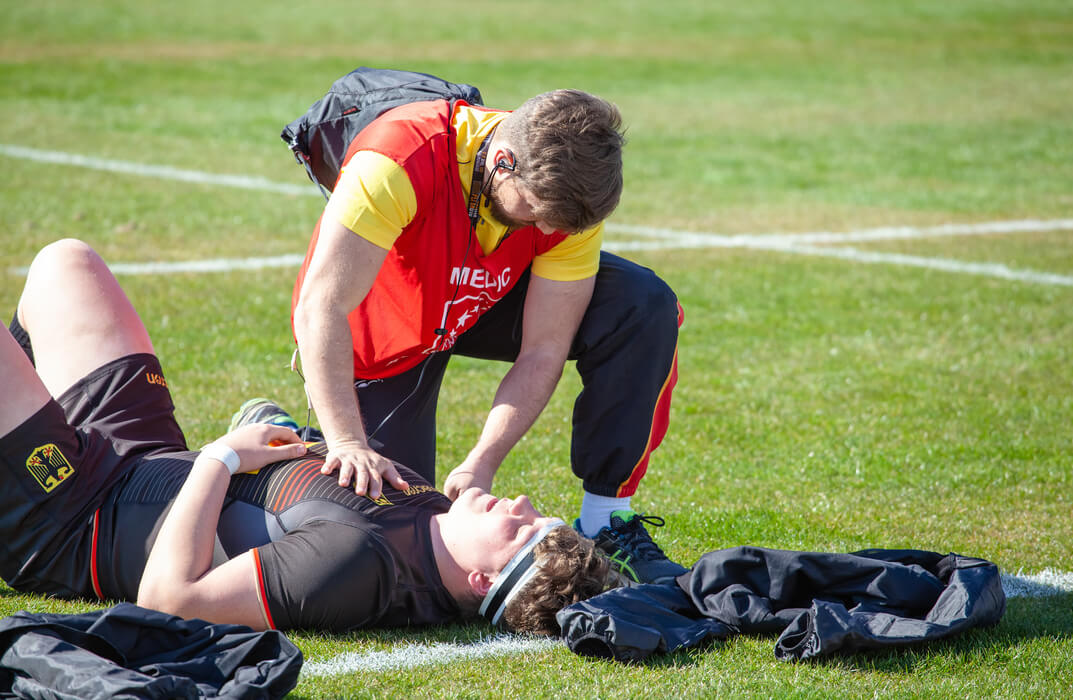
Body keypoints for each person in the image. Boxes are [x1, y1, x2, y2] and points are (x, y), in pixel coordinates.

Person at [0, 239, 612, 634]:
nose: (524, 505)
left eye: (524, 530)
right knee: (67, 263)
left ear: (483, 581)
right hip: (145, 455)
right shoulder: (431, 514)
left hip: (70, 518)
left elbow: (170, 600)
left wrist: (221, 459)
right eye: (540, 515)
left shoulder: (355, 567)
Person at [290, 87, 687, 583]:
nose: (545, 229)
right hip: (384, 326)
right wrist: (347, 441)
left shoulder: (569, 198)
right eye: (536, 213)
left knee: (643, 304)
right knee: (390, 526)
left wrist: (481, 463)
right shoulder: (396, 158)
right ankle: (290, 431)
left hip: (480, 299)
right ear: (502, 161)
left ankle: (606, 518)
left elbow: (544, 347)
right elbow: (320, 305)